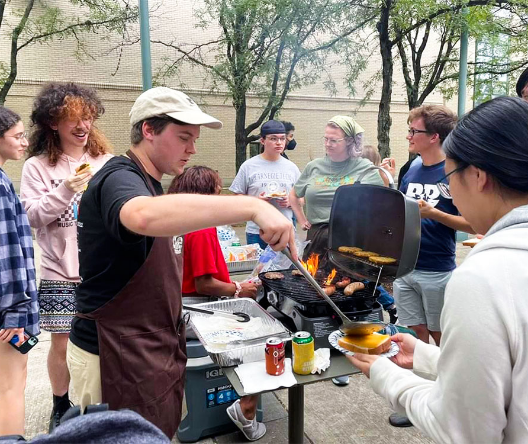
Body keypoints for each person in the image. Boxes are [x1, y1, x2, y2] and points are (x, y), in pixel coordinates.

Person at [66, 87, 297, 440]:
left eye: (195, 139)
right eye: (183, 137)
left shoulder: (153, 186)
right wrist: (254, 207)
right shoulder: (119, 177)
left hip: (147, 349)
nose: (192, 148)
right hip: (112, 356)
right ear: (148, 130)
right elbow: (141, 217)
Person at [350, 96, 528, 443]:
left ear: (477, 176)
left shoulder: (483, 277)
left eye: (451, 177)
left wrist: (388, 377)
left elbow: (467, 431)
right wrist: (430, 357)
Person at [20, 82, 113, 431]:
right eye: (72, 118)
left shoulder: (106, 161)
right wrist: (65, 190)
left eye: (87, 117)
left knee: (104, 340)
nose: (82, 125)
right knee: (61, 343)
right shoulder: (37, 167)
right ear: (52, 123)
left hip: (101, 271)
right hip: (60, 272)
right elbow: (31, 216)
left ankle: (105, 395)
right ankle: (60, 403)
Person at [169, 166, 265, 441]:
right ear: (206, 193)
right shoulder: (201, 227)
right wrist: (238, 288)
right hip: (193, 309)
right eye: (216, 189)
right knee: (261, 334)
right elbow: (204, 285)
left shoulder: (175, 220)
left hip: (176, 304)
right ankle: (246, 410)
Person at [290, 116, 383, 386]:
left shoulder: (364, 167)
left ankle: (347, 355)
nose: (328, 144)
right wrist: (300, 217)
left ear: (351, 142)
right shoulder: (314, 166)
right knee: (318, 291)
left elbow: (379, 202)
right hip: (318, 236)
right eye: (326, 139)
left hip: (350, 239)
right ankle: (320, 347)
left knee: (345, 294)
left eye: (334, 140)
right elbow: (293, 195)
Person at [394, 105, 474, 348]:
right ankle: (421, 383)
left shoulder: (455, 172)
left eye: (413, 131)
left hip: (437, 270)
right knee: (414, 334)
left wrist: (434, 214)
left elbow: (472, 224)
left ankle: (447, 384)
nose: (408, 136)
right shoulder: (412, 168)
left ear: (433, 137)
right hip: (403, 268)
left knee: (441, 335)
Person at [0, 107, 40, 437]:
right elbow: (8, 254)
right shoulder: (0, 186)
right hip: (6, 314)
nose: (25, 142)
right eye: (18, 136)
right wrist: (15, 314)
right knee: (10, 388)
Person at [230, 120, 300, 250]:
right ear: (262, 141)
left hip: (285, 229)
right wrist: (257, 202)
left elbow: (301, 198)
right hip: (257, 231)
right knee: (259, 270)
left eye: (282, 139)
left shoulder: (292, 168)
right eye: (273, 139)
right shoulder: (248, 166)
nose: (279, 143)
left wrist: (291, 202)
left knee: (286, 270)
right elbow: (237, 198)